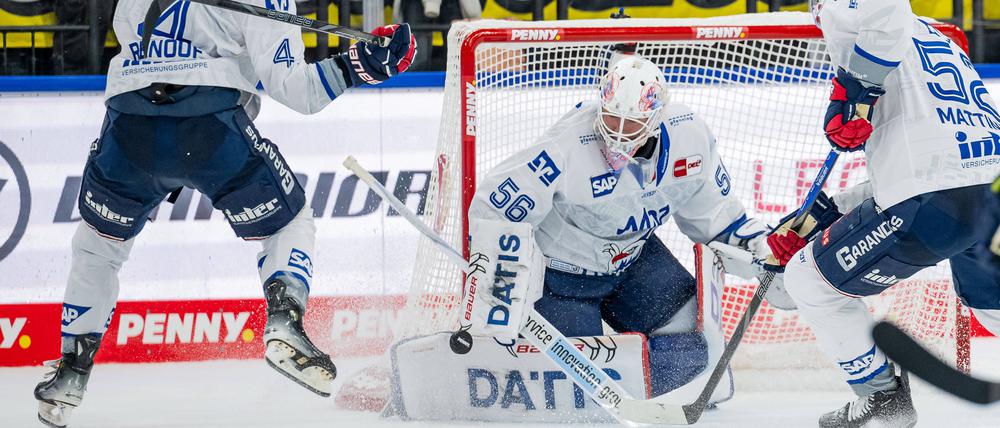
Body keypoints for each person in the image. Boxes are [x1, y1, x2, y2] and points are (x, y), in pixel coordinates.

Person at [32, 1, 416, 427]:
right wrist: (361, 64)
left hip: (128, 126)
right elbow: (297, 91)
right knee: (288, 222)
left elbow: (142, 45)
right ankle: (284, 320)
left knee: (97, 247)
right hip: (209, 125)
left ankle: (71, 371)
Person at [460, 54, 796, 401]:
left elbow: (720, 219)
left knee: (699, 355)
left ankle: (645, 384)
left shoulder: (689, 138)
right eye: (610, 117)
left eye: (631, 123)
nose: (617, 133)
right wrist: (498, 293)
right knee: (581, 397)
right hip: (561, 281)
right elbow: (494, 209)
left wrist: (763, 254)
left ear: (655, 117)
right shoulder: (567, 145)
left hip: (635, 263)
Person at [765, 0, 1000, 426]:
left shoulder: (856, 13)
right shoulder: (938, 41)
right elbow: (947, 164)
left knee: (809, 280)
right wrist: (831, 210)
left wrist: (856, 90)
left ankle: (883, 403)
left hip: (937, 201)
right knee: (992, 306)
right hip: (990, 191)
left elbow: (886, 7)